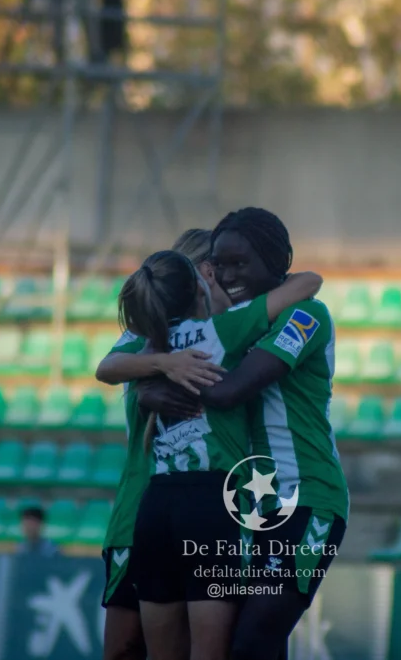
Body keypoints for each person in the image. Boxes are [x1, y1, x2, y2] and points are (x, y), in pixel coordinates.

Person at [136, 208, 349, 660]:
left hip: (306, 498)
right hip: (248, 507)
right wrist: (152, 384)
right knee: (250, 645)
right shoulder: (228, 323)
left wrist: (161, 382)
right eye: (220, 264)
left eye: (240, 263)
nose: (229, 275)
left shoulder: (306, 315)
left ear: (272, 260)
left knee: (252, 641)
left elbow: (230, 391)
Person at [94, 229, 232, 660]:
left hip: (204, 506)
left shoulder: (223, 333)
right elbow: (107, 367)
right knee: (125, 647)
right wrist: (158, 370)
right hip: (140, 506)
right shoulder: (147, 332)